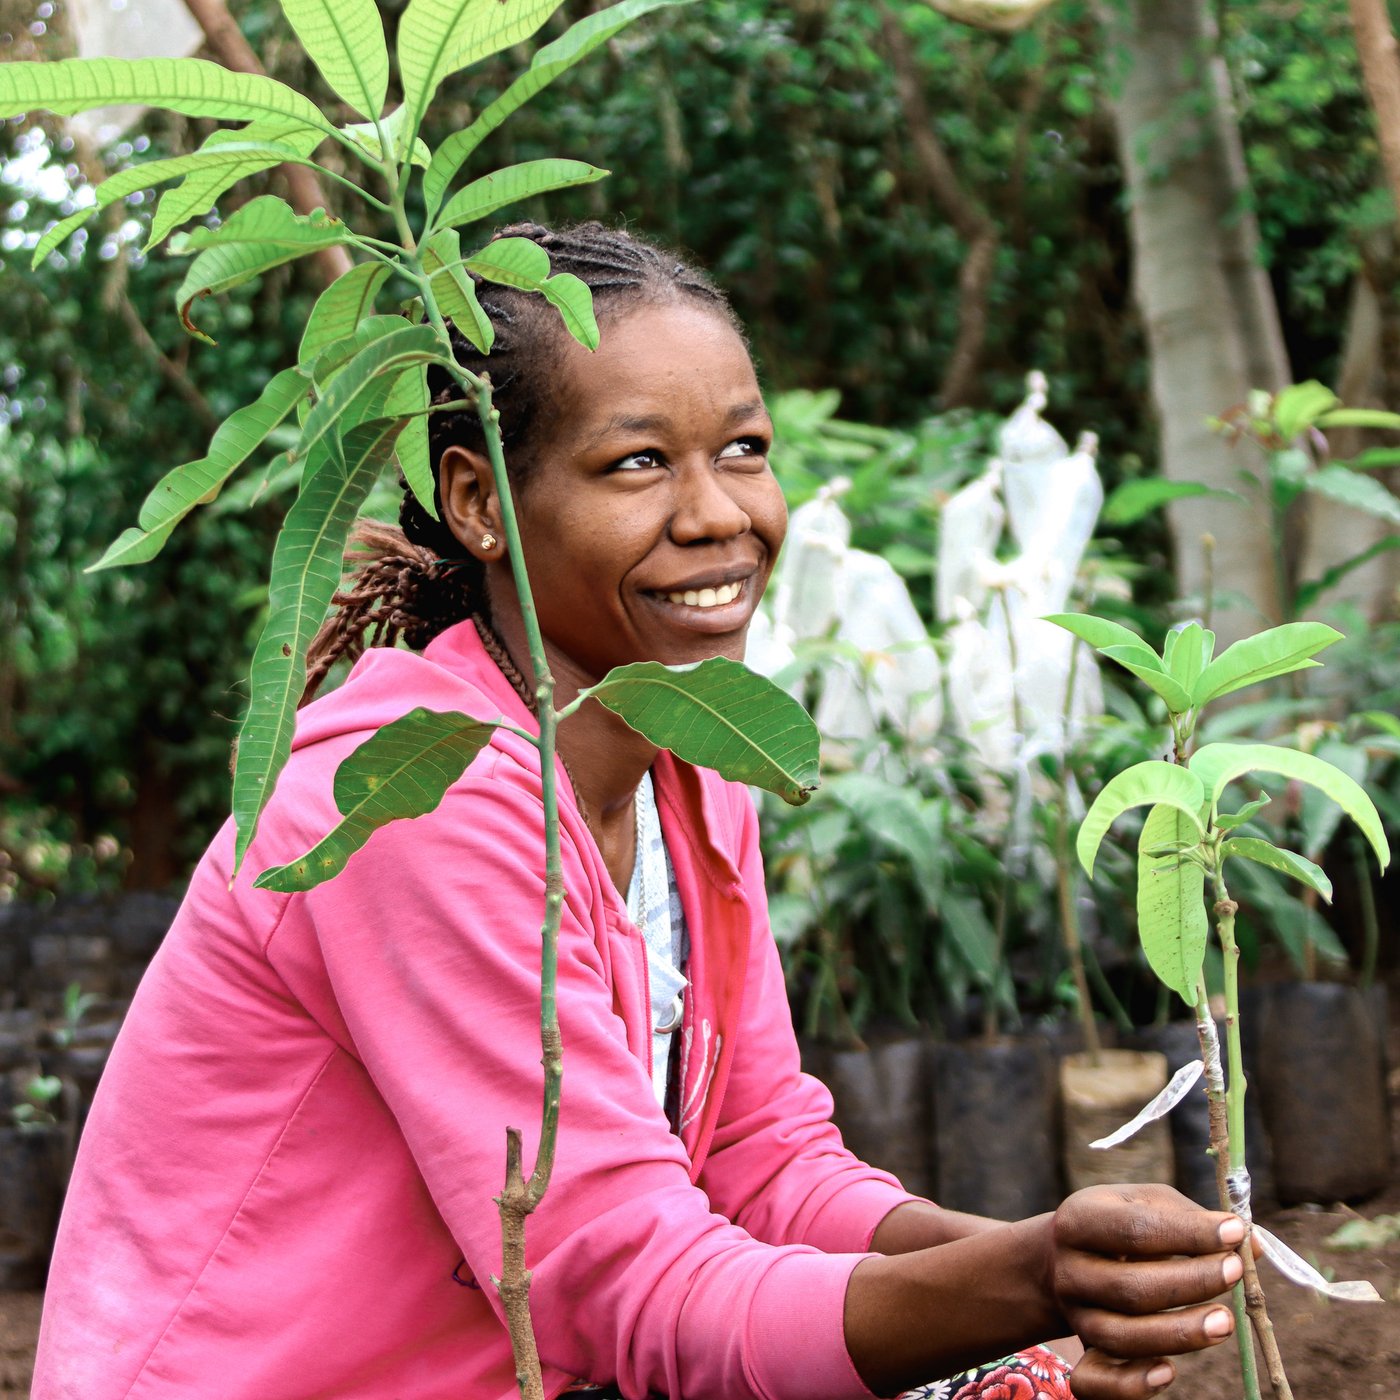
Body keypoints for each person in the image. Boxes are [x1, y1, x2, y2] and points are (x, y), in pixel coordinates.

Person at [34, 222, 1247, 1400]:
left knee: (1015, 1381)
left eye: (743, 449)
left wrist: (1053, 1269)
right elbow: (623, 1281)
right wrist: (1029, 1276)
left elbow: (760, 1156)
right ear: (478, 500)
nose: (719, 512)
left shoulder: (696, 757)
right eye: (637, 462)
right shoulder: (416, 798)